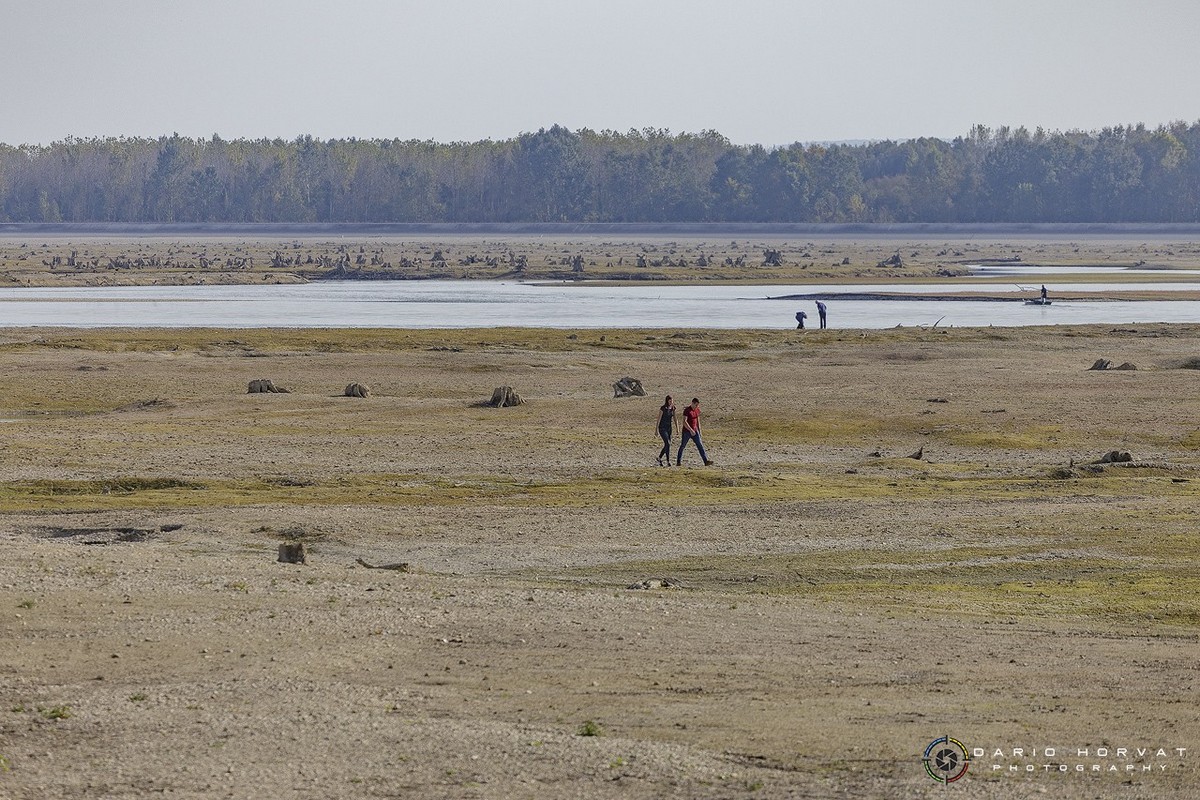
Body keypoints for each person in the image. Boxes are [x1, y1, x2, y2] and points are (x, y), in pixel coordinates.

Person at [676, 397, 713, 466]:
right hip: (687, 432)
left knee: (700, 445)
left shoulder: (697, 410)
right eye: (696, 405)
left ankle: (706, 461)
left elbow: (697, 420)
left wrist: (699, 430)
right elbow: (684, 422)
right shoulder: (687, 410)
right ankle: (678, 462)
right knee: (683, 446)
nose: (696, 406)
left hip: (695, 431)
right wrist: (690, 430)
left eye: (697, 405)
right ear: (692, 403)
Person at [655, 395, 676, 466]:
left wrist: (677, 428)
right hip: (662, 428)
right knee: (667, 443)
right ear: (667, 401)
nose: (671, 402)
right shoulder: (663, 408)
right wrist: (656, 430)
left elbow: (675, 419)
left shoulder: (673, 408)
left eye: (672, 401)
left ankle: (659, 458)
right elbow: (659, 419)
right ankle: (667, 461)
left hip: (669, 428)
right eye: (670, 401)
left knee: (668, 444)